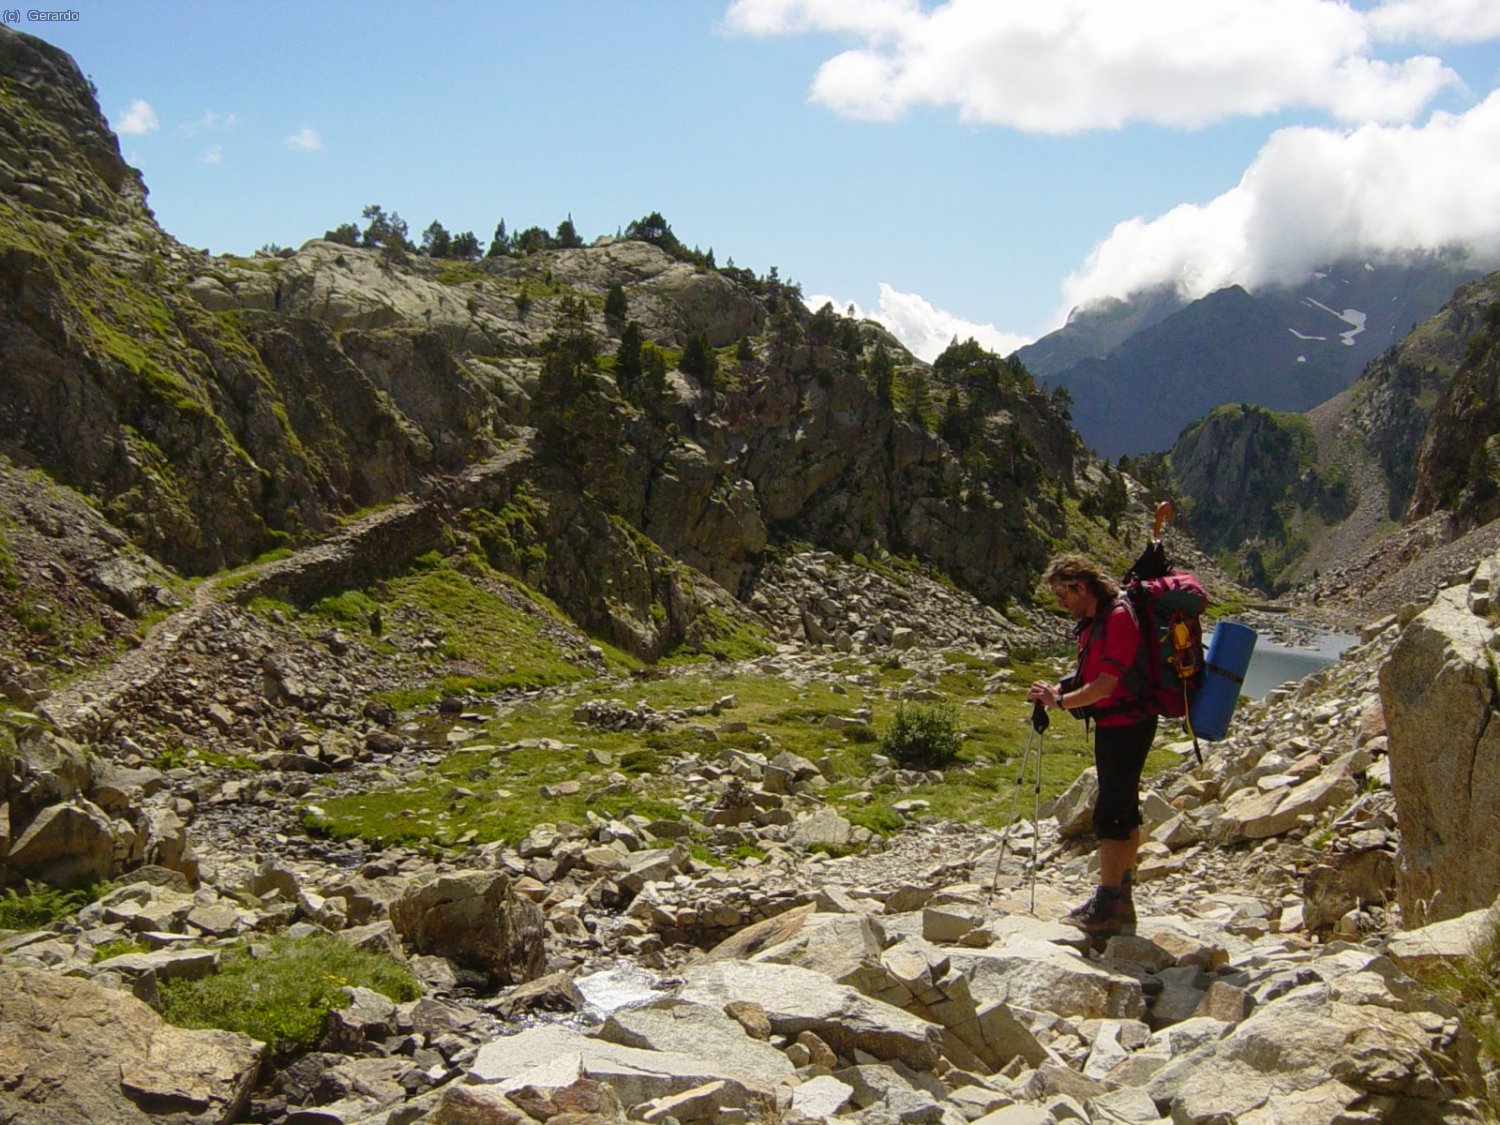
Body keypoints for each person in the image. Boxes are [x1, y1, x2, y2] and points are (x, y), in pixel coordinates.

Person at [1027, 553, 1156, 935]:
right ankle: (1122, 899)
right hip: (1118, 722)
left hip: (1127, 724)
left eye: (1061, 594)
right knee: (1122, 807)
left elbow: (1106, 685)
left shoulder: (1117, 617)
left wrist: (1061, 701)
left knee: (1112, 813)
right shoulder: (1095, 620)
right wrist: (1059, 688)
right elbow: (1092, 674)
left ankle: (1107, 902)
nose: (1059, 603)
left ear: (1080, 586)